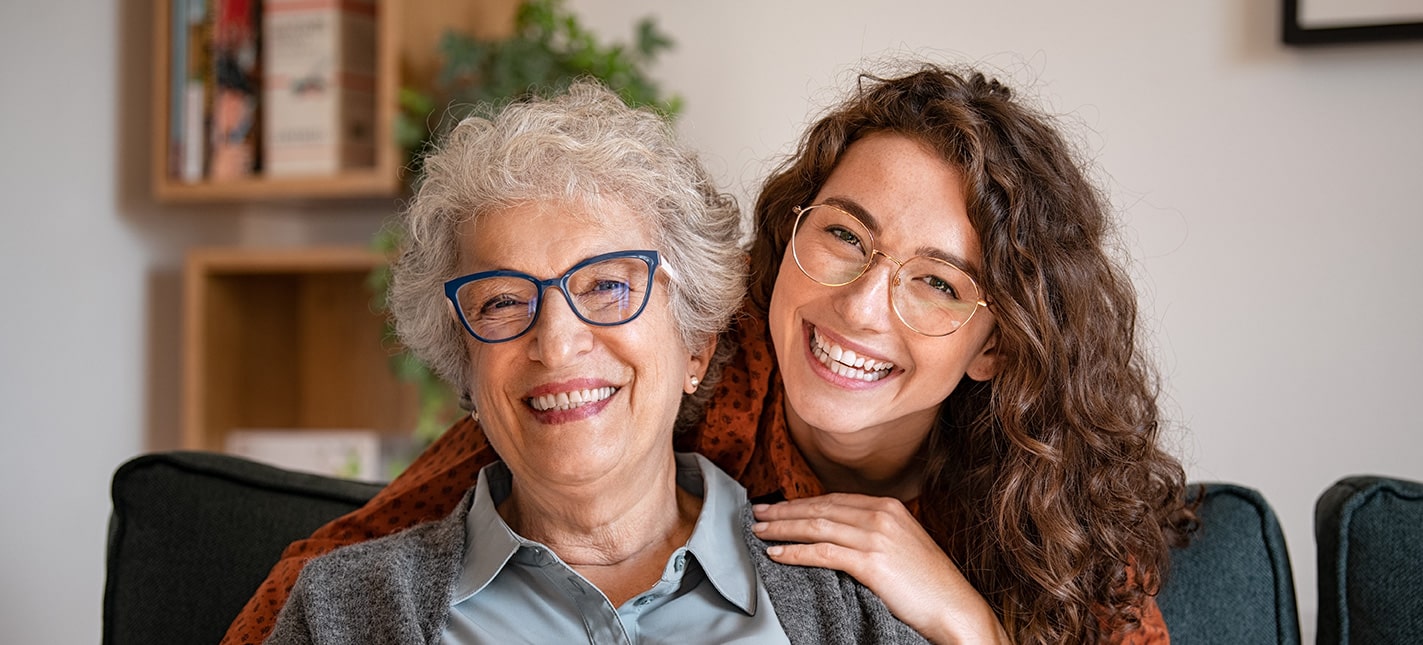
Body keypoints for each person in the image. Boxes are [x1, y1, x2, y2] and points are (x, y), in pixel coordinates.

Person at [227, 63, 1194, 645]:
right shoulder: (681, 364)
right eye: (845, 237)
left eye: (936, 282)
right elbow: (363, 560)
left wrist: (966, 626)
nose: (860, 307)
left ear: (996, 343)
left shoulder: (1053, 516)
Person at [260, 80, 925, 645]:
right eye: (502, 301)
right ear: (463, 358)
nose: (555, 342)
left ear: (695, 343)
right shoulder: (342, 610)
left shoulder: (849, 601)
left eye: (607, 285)